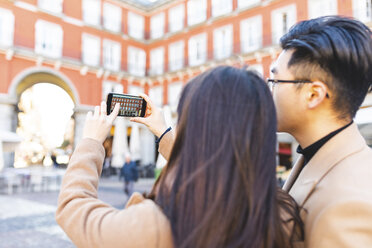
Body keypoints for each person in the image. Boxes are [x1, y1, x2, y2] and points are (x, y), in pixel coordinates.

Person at [133, 16, 372, 247]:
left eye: (274, 81)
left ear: (314, 95)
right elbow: (225, 184)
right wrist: (163, 132)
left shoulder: (351, 203)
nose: (265, 91)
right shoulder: (319, 155)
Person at [56, 67, 303, 248]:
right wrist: (163, 132)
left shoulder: (157, 226)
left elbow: (73, 207)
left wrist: (91, 143)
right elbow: (215, 166)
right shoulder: (281, 213)